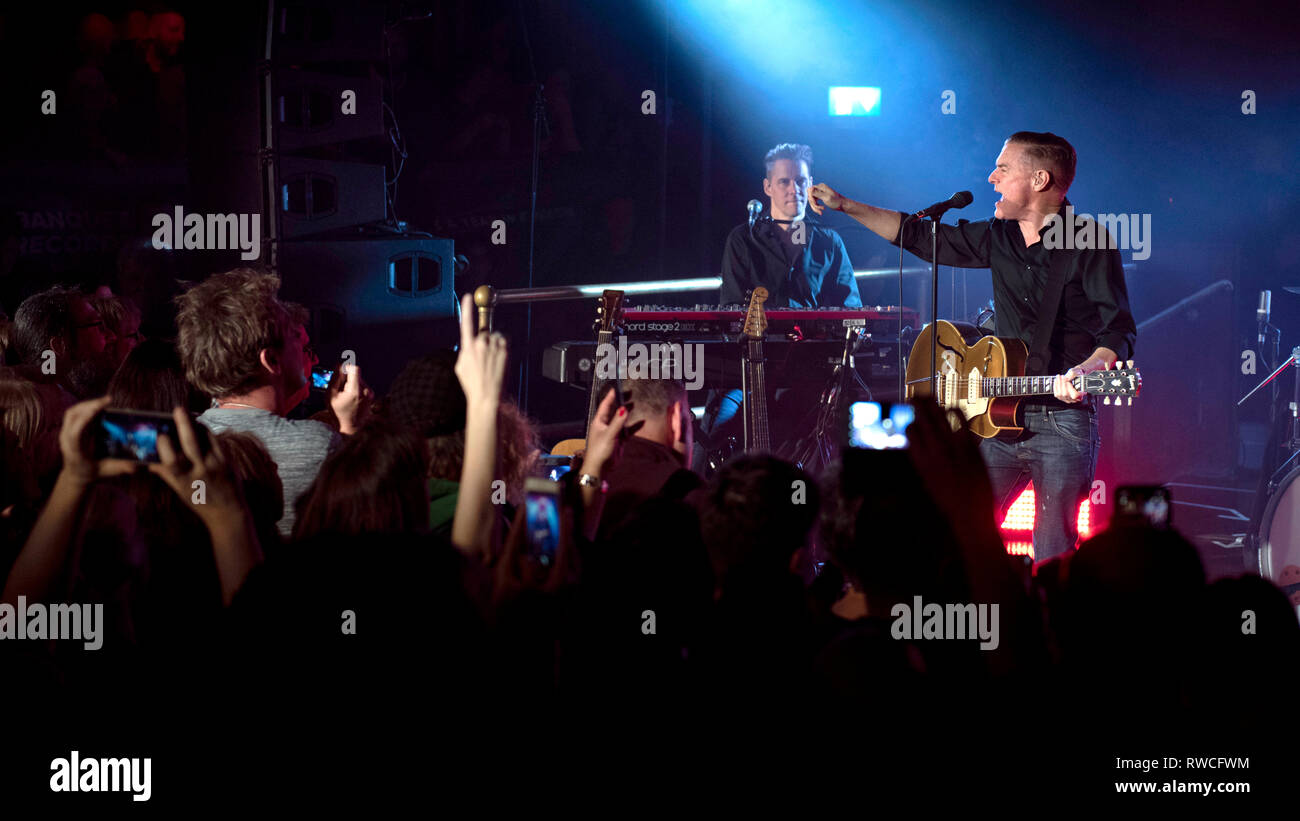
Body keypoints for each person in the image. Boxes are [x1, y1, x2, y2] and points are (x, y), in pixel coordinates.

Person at [809, 131, 1137, 562]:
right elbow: (919, 236)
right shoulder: (998, 236)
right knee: (956, 533)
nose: (991, 178)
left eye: (1003, 169)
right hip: (994, 416)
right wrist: (846, 205)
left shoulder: (1088, 241)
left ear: (1039, 179)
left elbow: (1118, 332)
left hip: (1062, 421)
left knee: (1053, 550)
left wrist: (1087, 371)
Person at [174, 267, 370, 536]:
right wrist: (350, 427)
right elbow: (364, 528)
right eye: (294, 338)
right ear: (271, 360)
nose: (304, 350)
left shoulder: (185, 443)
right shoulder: (317, 445)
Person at [720, 142, 861, 308]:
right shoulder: (743, 238)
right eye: (784, 182)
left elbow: (850, 309)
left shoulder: (829, 241)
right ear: (768, 187)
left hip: (813, 334)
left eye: (800, 181)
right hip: (758, 334)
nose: (794, 190)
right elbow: (732, 307)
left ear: (810, 184)